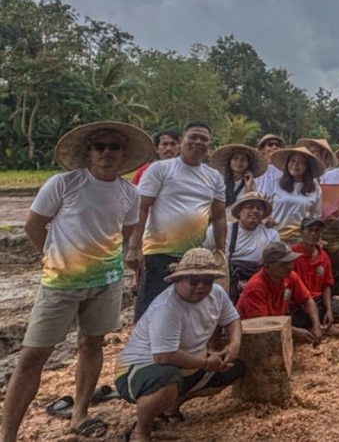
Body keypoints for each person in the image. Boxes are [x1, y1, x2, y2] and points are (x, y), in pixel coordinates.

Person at [1, 121, 150, 441]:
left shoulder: (129, 193)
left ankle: (80, 412)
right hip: (60, 283)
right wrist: (53, 256)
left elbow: (124, 232)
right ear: (88, 151)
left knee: (92, 344)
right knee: (32, 356)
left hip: (107, 281)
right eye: (100, 146)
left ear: (123, 153)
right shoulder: (64, 184)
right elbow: (33, 225)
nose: (107, 152)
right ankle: (8, 434)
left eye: (114, 146)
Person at [115, 248, 244, 442]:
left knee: (234, 369)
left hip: (189, 362)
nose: (201, 286)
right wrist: (205, 363)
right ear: (179, 280)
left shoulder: (217, 293)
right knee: (168, 377)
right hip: (139, 368)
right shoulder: (167, 307)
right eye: (194, 281)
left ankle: (171, 405)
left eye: (207, 281)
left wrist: (233, 345)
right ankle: (140, 430)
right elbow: (164, 356)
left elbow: (233, 319)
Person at [127, 122, 227, 323]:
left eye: (203, 139)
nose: (198, 142)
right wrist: (134, 247)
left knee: (187, 311)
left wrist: (220, 253)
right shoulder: (160, 169)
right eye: (193, 137)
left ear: (209, 144)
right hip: (158, 252)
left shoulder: (214, 176)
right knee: (151, 308)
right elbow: (141, 208)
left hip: (193, 257)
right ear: (182, 141)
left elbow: (219, 216)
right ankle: (143, 343)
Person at [236, 242, 323, 345]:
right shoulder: (255, 288)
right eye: (283, 264)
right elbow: (263, 325)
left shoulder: (289, 276)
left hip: (275, 324)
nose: (290, 267)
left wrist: (316, 325)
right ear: (267, 266)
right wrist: (294, 331)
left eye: (290, 262)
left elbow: (307, 300)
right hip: (253, 334)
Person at [204, 191, 279, 301]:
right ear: (239, 211)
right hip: (225, 286)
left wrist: (252, 284)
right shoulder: (222, 230)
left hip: (257, 287)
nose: (255, 211)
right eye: (249, 207)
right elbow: (204, 254)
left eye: (259, 208)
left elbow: (274, 267)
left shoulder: (271, 235)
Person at [291, 217, 339, 330]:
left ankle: (318, 322)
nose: (313, 234)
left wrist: (329, 310)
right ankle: (310, 324)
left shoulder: (324, 256)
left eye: (317, 230)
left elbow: (326, 285)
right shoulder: (292, 254)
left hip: (318, 301)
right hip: (299, 303)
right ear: (301, 232)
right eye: (310, 230)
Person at [265, 147, 324, 242]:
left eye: (301, 162)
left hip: (300, 239)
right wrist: (266, 219)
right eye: (292, 161)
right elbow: (264, 208)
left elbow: (316, 215)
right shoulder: (274, 184)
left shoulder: (315, 189)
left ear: (307, 167)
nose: (295, 165)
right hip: (273, 236)